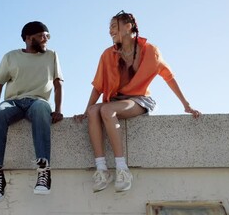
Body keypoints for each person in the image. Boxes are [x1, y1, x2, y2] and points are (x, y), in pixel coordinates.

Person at [74, 10, 201, 193]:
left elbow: (169, 77)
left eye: (113, 27)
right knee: (95, 111)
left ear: (128, 26)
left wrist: (186, 105)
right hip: (116, 100)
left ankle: (122, 169)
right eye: (109, 28)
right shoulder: (108, 55)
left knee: (107, 111)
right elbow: (98, 87)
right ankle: (102, 170)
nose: (110, 31)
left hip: (139, 100)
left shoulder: (151, 51)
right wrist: (86, 111)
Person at [0, 21, 64, 203]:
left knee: (42, 108)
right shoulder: (11, 57)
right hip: (13, 103)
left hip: (38, 102)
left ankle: (43, 170)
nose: (45, 40)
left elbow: (58, 84)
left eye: (47, 36)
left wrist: (58, 110)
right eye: (42, 36)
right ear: (28, 38)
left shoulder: (51, 56)